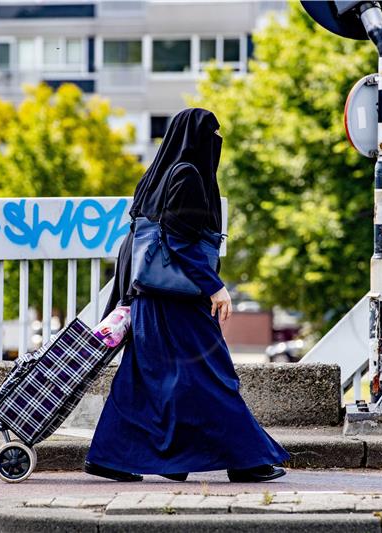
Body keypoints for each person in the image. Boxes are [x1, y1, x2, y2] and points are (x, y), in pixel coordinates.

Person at [84, 108, 289, 483]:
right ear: (198, 138)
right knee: (212, 377)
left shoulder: (155, 177)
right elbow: (178, 241)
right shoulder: (189, 177)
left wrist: (126, 295)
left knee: (143, 381)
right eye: (213, 133)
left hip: (149, 302)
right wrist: (214, 286)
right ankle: (248, 460)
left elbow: (137, 240)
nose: (217, 141)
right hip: (179, 306)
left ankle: (113, 457)